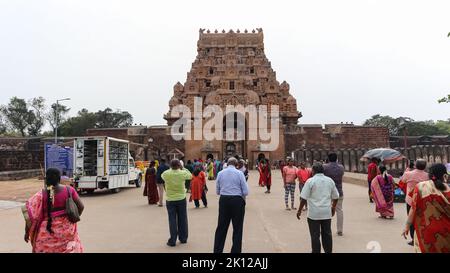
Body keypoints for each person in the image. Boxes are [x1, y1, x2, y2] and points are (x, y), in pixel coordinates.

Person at [22, 168, 84, 253]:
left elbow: (29, 216)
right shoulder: (69, 190)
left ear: (46, 179)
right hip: (67, 231)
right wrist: (72, 219)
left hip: (46, 232)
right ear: (59, 179)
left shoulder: (40, 195)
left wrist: (26, 232)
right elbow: (81, 207)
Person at [402, 163, 450, 253]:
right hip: (446, 232)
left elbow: (413, 209)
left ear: (430, 174)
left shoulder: (420, 187)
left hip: (426, 230)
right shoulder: (448, 190)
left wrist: (407, 226)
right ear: (444, 175)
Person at [297, 163, 339, 253]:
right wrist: (333, 208)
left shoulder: (310, 181)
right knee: (327, 234)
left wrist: (299, 210)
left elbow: (303, 198)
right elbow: (336, 197)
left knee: (315, 235)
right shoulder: (330, 181)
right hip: (326, 213)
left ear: (313, 171)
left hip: (313, 214)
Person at [213, 157, 249, 253]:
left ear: (227, 163)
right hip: (237, 201)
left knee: (221, 227)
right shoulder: (240, 173)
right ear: (236, 164)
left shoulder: (220, 173)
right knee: (237, 228)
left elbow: (217, 191)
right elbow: (245, 191)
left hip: (224, 200)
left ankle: (217, 250)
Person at [161, 159, 192, 247]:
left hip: (170, 199)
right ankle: (183, 238)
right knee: (183, 218)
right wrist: (183, 168)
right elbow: (190, 176)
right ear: (179, 165)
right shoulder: (182, 173)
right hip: (181, 198)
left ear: (170, 165)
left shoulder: (166, 173)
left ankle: (173, 240)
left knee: (172, 220)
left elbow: (162, 177)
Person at [401, 159, 429, 246]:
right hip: (423, 199)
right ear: (425, 166)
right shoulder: (428, 176)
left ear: (415, 165)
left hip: (410, 200)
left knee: (412, 219)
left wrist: (408, 169)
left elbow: (403, 180)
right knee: (422, 219)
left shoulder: (408, 174)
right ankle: (422, 238)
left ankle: (414, 239)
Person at [323, 153, 345, 236]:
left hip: (328, 192)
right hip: (339, 191)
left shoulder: (325, 167)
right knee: (339, 210)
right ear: (337, 158)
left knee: (327, 210)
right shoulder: (341, 167)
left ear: (328, 158)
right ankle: (340, 230)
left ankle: (327, 229)